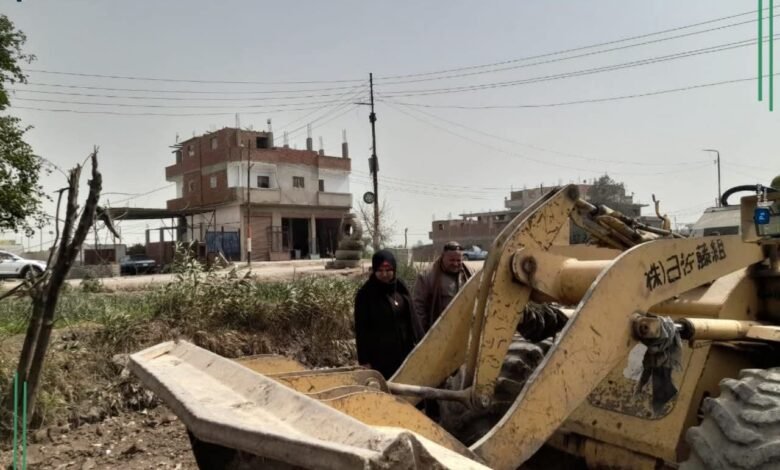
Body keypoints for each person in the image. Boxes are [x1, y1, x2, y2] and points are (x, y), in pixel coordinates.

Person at [353, 250, 416, 380]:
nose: (384, 274)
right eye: (380, 270)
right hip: (381, 357)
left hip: (406, 353)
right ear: (374, 270)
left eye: (388, 270)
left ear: (394, 269)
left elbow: (414, 318)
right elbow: (361, 330)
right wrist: (364, 361)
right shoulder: (365, 295)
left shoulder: (400, 287)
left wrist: (420, 344)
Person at [412, 241, 473, 340]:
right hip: (438, 333)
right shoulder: (427, 277)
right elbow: (418, 307)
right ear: (443, 257)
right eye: (451, 260)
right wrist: (423, 335)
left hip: (464, 331)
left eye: (458, 260)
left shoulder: (470, 274)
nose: (455, 263)